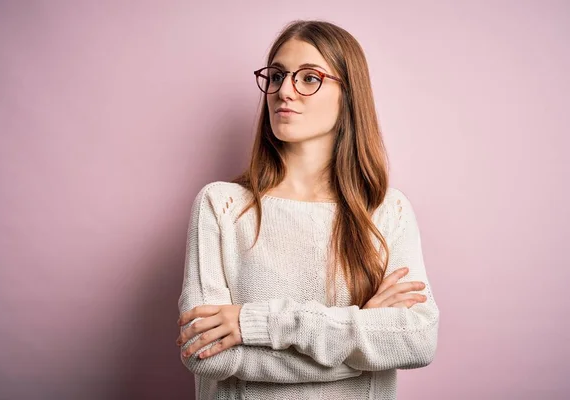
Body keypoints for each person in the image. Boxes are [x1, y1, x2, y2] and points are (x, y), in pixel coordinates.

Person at [176, 19, 439, 400]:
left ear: (348, 94)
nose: (285, 91)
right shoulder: (221, 206)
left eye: (309, 78)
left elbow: (417, 340)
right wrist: (365, 333)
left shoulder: (386, 211)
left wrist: (255, 324)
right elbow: (206, 354)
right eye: (278, 75)